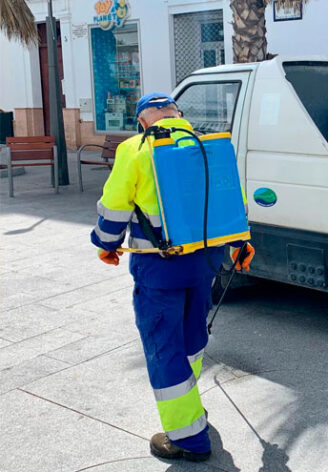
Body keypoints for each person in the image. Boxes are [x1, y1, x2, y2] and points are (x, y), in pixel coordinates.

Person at [90, 92, 254, 463]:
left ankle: (188, 438)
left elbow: (114, 207)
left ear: (142, 121)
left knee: (164, 347)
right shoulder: (206, 146)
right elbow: (230, 201)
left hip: (159, 269)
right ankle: (190, 407)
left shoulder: (136, 148)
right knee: (192, 337)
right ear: (178, 115)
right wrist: (241, 244)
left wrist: (105, 244)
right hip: (204, 266)